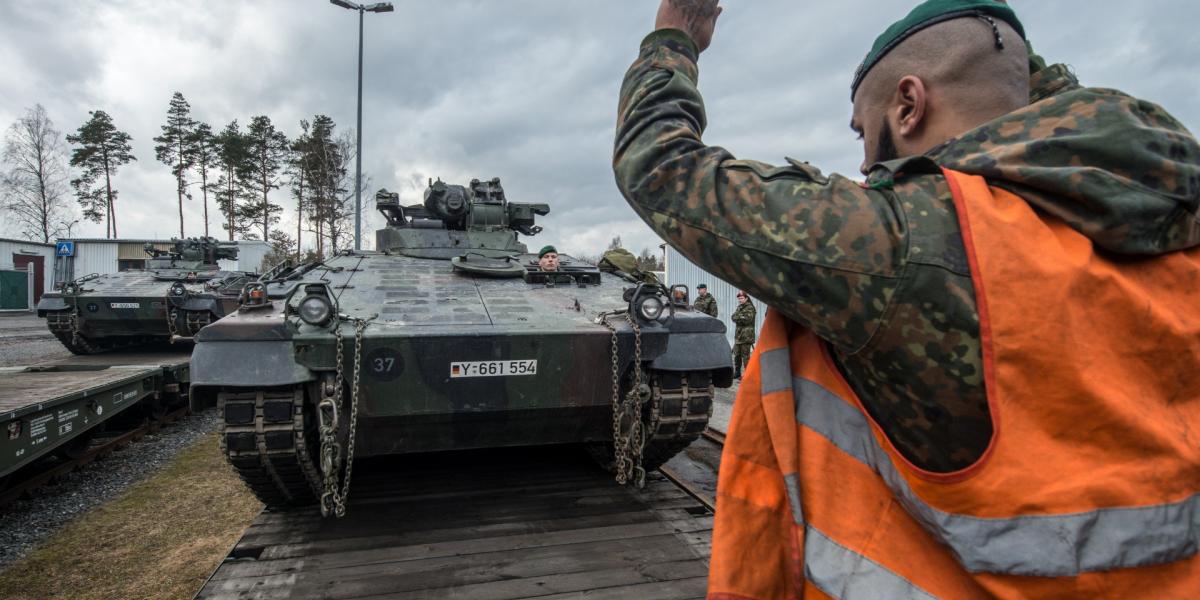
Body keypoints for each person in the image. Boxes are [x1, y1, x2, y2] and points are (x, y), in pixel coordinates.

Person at [613, 0, 1200, 597]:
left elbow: (661, 167)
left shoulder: (903, 245)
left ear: (910, 104)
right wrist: (1004, 50)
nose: (866, 162)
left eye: (866, 132)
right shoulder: (1169, 223)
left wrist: (674, 36)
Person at [729, 291, 755, 379]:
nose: (740, 300)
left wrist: (738, 317)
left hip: (746, 336)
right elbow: (733, 317)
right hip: (738, 335)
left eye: (742, 298)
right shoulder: (739, 307)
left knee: (746, 356)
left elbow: (747, 320)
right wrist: (739, 317)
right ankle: (737, 372)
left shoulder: (750, 308)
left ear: (746, 298)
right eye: (739, 298)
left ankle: (747, 374)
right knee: (737, 355)